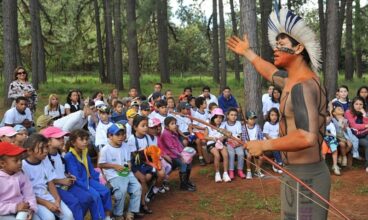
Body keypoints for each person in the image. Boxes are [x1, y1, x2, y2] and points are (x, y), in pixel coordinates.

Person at [227, 7, 330, 219]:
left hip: (307, 176)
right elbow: (269, 71)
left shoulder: (303, 86)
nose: (275, 48)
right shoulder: (290, 81)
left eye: (281, 45)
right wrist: (248, 52)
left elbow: (306, 136)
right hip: (296, 173)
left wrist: (264, 145)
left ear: (299, 47)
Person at [42, 127, 92, 220]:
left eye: (62, 138)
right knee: (74, 202)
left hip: (65, 185)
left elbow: (60, 171)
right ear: (48, 141)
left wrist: (67, 176)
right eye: (58, 138)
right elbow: (45, 179)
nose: (62, 140)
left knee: (87, 198)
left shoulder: (60, 154)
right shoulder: (44, 157)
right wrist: (61, 181)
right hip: (54, 188)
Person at [22, 134, 74, 220]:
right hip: (34, 200)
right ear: (30, 151)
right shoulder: (23, 166)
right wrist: (47, 204)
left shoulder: (45, 160)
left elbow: (50, 183)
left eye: (46, 147)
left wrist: (57, 199)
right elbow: (27, 194)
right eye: (42, 148)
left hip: (47, 195)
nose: (46, 151)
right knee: (49, 217)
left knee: (68, 215)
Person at [64, 129, 112, 220]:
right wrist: (88, 187)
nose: (85, 142)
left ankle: (107, 216)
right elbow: (75, 177)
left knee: (105, 191)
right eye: (81, 140)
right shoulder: (69, 156)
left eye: (86, 139)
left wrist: (99, 181)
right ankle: (99, 218)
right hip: (77, 183)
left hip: (88, 180)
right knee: (95, 196)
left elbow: (91, 170)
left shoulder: (85, 152)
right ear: (73, 142)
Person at [99, 123, 142, 220]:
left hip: (126, 172)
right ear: (110, 136)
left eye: (123, 134)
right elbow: (100, 164)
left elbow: (128, 160)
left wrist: (129, 165)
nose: (121, 137)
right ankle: (118, 213)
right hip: (113, 175)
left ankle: (131, 211)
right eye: (117, 135)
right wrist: (114, 166)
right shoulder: (105, 149)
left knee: (137, 188)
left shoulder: (125, 146)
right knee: (121, 190)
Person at [0, 142, 37, 220]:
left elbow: (29, 194)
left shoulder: (21, 174)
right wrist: (15, 207)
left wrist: (31, 209)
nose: (20, 162)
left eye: (20, 159)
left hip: (23, 208)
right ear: (3, 163)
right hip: (4, 212)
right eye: (16, 161)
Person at [159, 116, 196, 191]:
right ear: (166, 126)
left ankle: (186, 181)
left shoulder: (174, 132)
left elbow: (178, 143)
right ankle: (183, 185)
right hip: (171, 155)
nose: (175, 125)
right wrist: (181, 155)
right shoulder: (166, 134)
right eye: (172, 124)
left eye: (175, 123)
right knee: (183, 163)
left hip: (178, 153)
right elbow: (171, 148)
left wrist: (184, 151)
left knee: (189, 162)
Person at [204, 108, 231, 183]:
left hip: (221, 143)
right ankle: (217, 173)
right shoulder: (208, 126)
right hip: (211, 143)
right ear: (213, 118)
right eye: (217, 117)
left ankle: (225, 173)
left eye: (220, 117)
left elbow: (229, 134)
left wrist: (224, 137)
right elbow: (205, 136)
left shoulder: (223, 125)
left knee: (225, 155)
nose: (218, 119)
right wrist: (213, 138)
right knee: (217, 155)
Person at [344, 97, 368, 173]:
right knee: (367, 143)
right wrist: (365, 126)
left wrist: (364, 115)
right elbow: (353, 126)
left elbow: (366, 123)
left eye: (361, 104)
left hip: (364, 133)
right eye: (356, 104)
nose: (359, 106)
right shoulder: (348, 112)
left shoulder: (364, 112)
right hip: (354, 136)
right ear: (353, 104)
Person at [221, 107, 244, 179]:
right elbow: (223, 134)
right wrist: (230, 141)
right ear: (227, 116)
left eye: (235, 115)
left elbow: (239, 134)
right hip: (228, 143)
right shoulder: (224, 124)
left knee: (241, 154)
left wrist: (237, 141)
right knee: (231, 154)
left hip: (237, 142)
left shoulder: (238, 123)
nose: (234, 117)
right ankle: (231, 171)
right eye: (231, 115)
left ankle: (240, 170)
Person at [242, 111, 265, 179]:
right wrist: (248, 146)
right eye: (251, 119)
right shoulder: (244, 127)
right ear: (247, 120)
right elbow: (243, 139)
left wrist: (259, 145)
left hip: (257, 146)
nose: (253, 120)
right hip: (248, 146)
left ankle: (257, 170)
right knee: (249, 156)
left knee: (261, 157)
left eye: (254, 119)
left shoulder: (257, 127)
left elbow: (261, 137)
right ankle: (248, 171)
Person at [263, 108, 283, 174]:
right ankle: (280, 163)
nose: (274, 117)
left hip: (277, 141)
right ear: (269, 116)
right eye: (272, 115)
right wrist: (273, 140)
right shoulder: (267, 124)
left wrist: (278, 139)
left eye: (276, 115)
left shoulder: (279, 124)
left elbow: (280, 134)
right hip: (269, 141)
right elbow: (266, 135)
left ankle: (275, 163)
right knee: (275, 147)